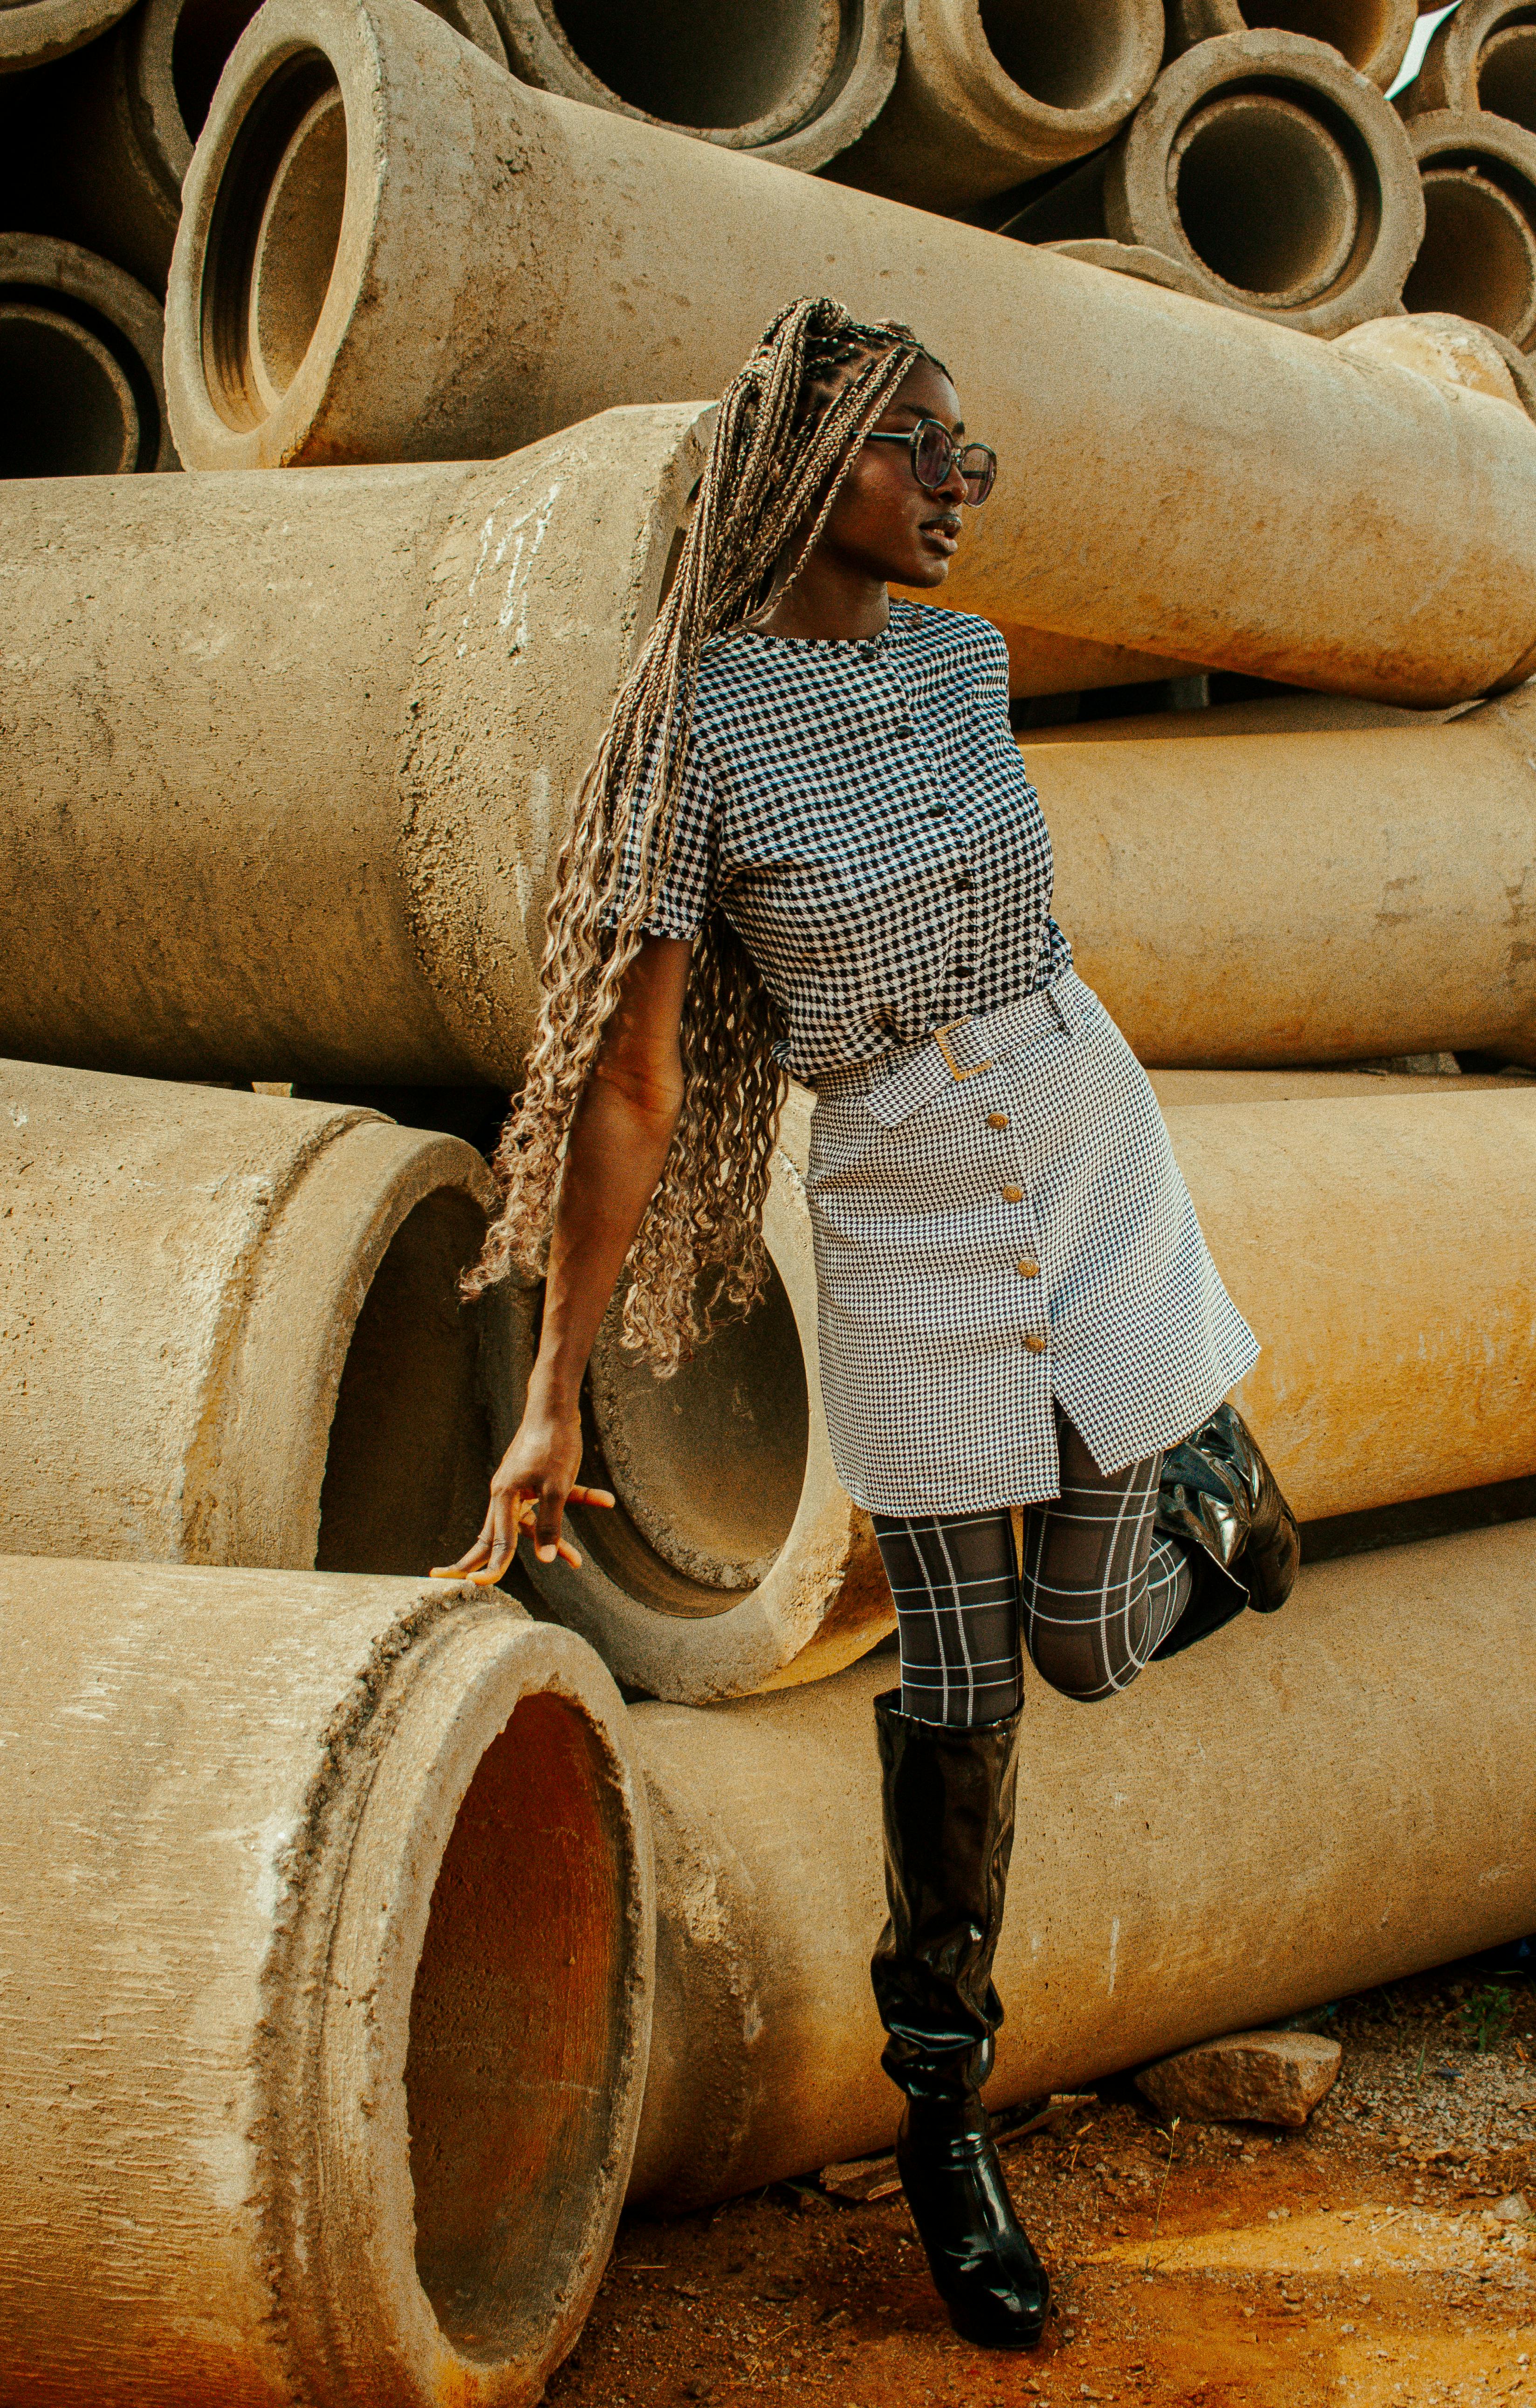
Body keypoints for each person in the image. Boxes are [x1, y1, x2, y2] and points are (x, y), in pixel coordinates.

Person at [435, 295, 1300, 2352]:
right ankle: (946, 2117)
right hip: (900, 1188)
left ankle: (1200, 1457)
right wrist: (552, 1391)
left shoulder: (964, 661)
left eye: (966, 446)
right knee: (970, 1679)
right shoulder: (695, 723)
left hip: (1082, 1127)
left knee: (1085, 1645)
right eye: (922, 441)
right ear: (809, 456)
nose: (957, 482)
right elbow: (632, 1083)